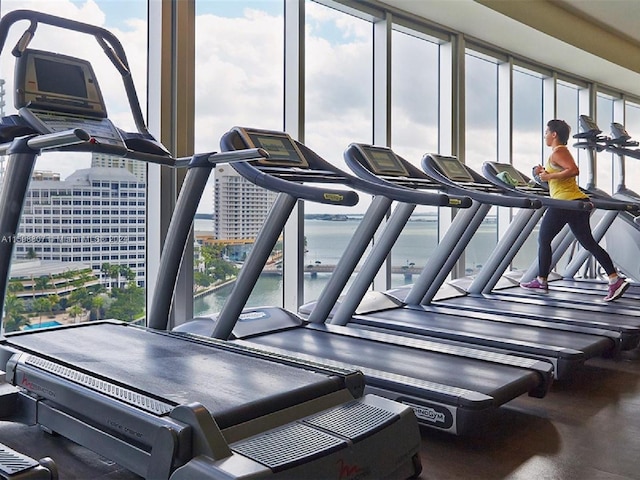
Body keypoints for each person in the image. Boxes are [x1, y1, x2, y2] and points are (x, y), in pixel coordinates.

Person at [520, 119, 629, 302]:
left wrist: (549, 175)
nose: (545, 135)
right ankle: (614, 279)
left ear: (554, 134)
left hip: (565, 203)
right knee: (588, 243)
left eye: (547, 132)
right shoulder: (557, 154)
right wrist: (543, 172)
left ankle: (541, 280)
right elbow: (560, 174)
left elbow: (573, 170)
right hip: (574, 202)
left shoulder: (559, 151)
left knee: (544, 239)